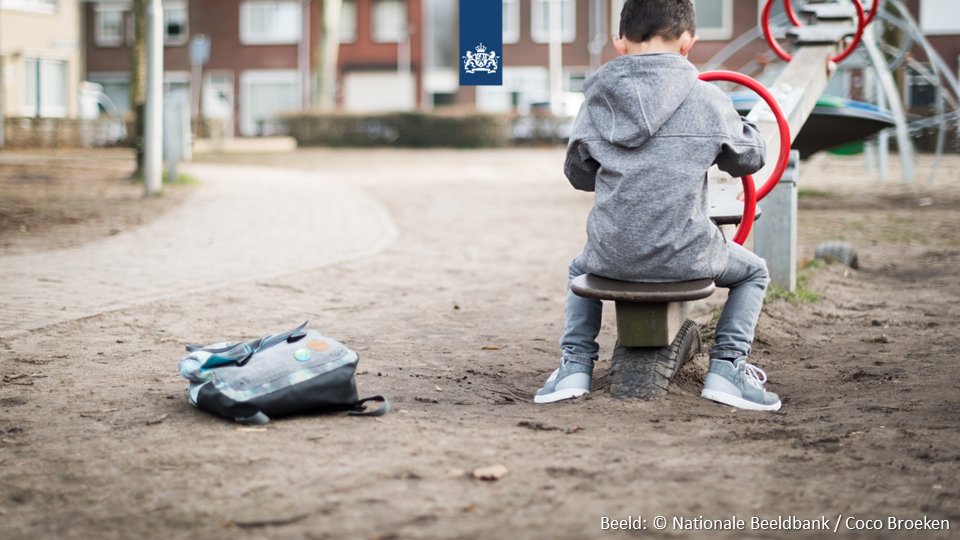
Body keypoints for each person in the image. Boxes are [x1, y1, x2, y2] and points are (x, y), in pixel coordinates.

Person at [535, 0, 781, 411]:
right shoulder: (708, 99)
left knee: (580, 267)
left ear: (619, 42)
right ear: (688, 42)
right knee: (754, 272)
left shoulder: (597, 102)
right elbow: (748, 158)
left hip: (610, 256)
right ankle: (727, 369)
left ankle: (575, 366)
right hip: (688, 254)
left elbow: (579, 176)